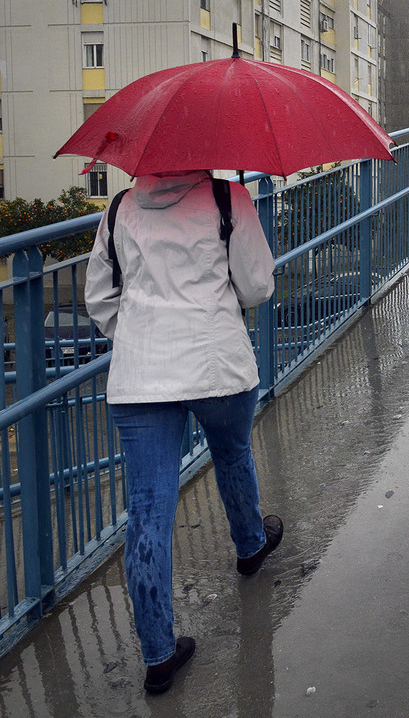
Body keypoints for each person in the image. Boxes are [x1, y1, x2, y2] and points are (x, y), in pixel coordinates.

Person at [85, 170, 281, 695]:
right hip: (216, 364)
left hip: (141, 374)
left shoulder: (119, 207)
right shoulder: (226, 196)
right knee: (232, 453)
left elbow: (99, 298)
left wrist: (139, 336)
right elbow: (258, 285)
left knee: (149, 509)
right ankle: (250, 545)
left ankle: (158, 655)